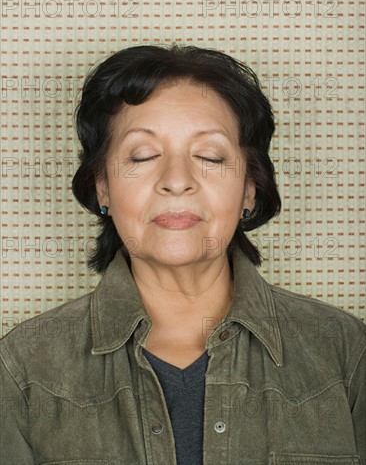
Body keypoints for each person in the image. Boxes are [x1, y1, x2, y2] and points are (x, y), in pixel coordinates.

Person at [1, 43, 365, 464]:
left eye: (210, 156)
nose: (177, 180)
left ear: (249, 189)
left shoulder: (345, 354)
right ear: (102, 186)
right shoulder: (23, 370)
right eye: (143, 155)